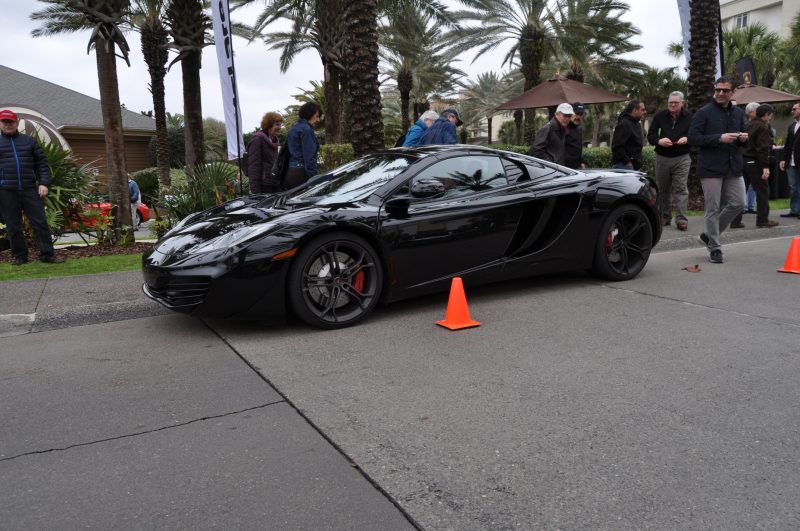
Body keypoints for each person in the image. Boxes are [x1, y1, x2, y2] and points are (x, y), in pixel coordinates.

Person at [688, 76, 749, 264]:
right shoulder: (704, 112)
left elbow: (742, 135)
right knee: (713, 208)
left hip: (733, 165)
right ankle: (715, 247)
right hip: (710, 167)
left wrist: (743, 138)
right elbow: (693, 138)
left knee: (739, 203)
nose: (720, 93)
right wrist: (718, 138)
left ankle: (708, 235)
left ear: (733, 92)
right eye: (718, 89)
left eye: (725, 90)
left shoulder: (738, 113)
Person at [0, 109, 64, 265]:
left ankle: (47, 255)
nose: (8, 125)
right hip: (6, 191)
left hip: (30, 189)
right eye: (5, 122)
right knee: (13, 226)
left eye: (11, 122)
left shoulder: (29, 141)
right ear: (0, 124)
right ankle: (20, 256)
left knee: (40, 223)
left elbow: (42, 164)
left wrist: (43, 183)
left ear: (17, 122)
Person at [646, 91, 692, 231]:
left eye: (675, 102)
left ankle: (681, 219)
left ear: (682, 103)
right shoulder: (660, 116)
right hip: (663, 157)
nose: (672, 105)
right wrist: (659, 140)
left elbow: (697, 134)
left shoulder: (690, 117)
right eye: (670, 102)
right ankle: (665, 216)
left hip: (682, 157)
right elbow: (651, 135)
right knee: (662, 189)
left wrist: (688, 138)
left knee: (681, 189)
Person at [730, 104, 780, 229]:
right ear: (766, 114)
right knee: (763, 191)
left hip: (743, 161)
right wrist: (766, 166)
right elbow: (762, 148)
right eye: (770, 115)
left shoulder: (749, 124)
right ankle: (762, 220)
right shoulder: (762, 127)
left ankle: (735, 221)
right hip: (755, 162)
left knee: (741, 192)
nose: (770, 118)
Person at [285, 102, 321, 189]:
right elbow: (309, 158)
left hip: (291, 172)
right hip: (302, 173)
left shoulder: (295, 127)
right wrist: (314, 179)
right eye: (317, 116)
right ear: (310, 114)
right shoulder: (306, 130)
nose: (318, 120)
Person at [247, 111, 283, 194]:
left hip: (274, 184)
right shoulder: (258, 140)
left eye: (280, 124)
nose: (280, 127)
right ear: (268, 125)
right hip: (263, 186)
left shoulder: (274, 141)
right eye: (277, 124)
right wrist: (256, 192)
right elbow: (254, 167)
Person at [779, 102, 800, 218]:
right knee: (793, 187)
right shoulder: (792, 126)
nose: (792, 111)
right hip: (791, 161)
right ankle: (795, 210)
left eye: (794, 109)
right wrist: (783, 159)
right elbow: (788, 145)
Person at [611, 100, 646, 170]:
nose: (645, 112)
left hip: (632, 166)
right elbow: (616, 146)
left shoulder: (636, 123)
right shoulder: (624, 124)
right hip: (623, 166)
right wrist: (627, 162)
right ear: (635, 110)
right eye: (642, 110)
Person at [564, 102, 585, 169]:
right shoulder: (563, 127)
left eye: (581, 114)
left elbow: (577, 149)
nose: (578, 117)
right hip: (564, 168)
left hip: (576, 168)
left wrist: (581, 162)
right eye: (576, 114)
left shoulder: (579, 129)